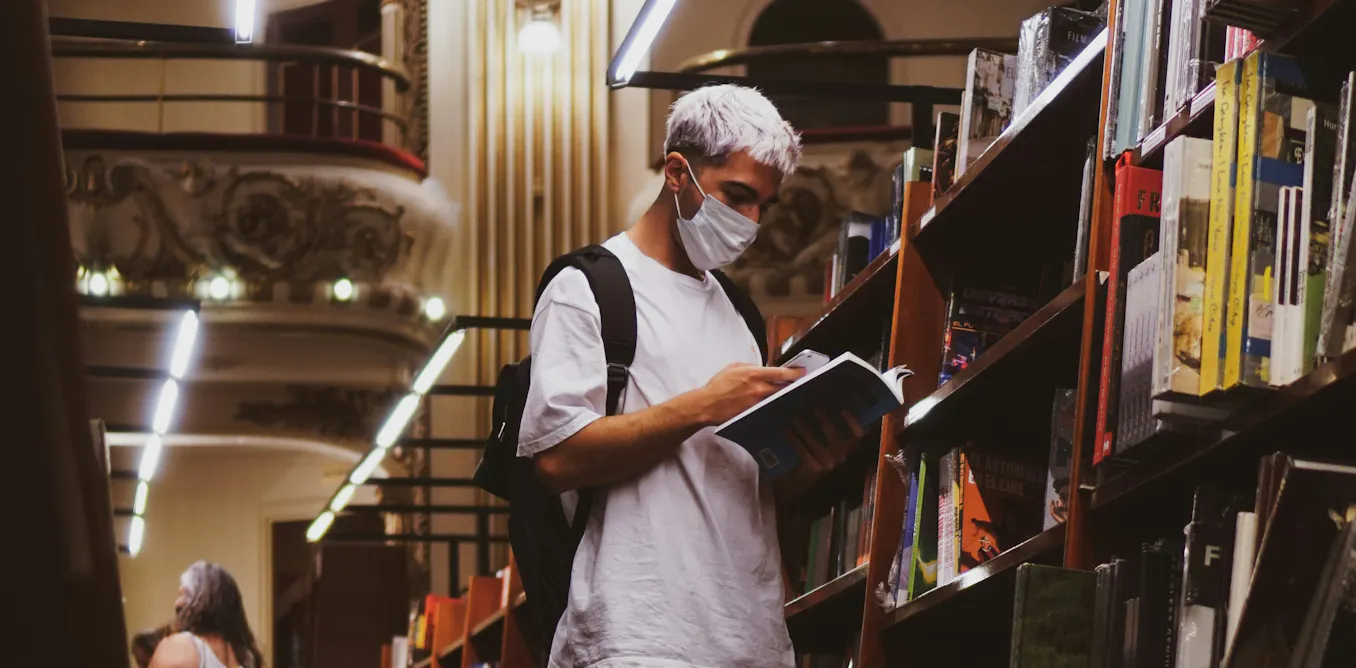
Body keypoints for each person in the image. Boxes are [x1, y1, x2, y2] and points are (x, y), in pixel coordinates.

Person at [520, 84, 863, 668]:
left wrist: (808, 463)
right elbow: (555, 458)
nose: (751, 221)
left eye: (764, 205)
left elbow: (743, 484)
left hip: (750, 638)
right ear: (677, 172)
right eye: (736, 195)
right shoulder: (589, 290)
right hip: (636, 636)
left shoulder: (740, 315)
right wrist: (704, 404)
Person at [149, 561, 263, 668]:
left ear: (201, 598)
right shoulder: (244, 657)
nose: (177, 603)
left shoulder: (180, 646)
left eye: (182, 593)